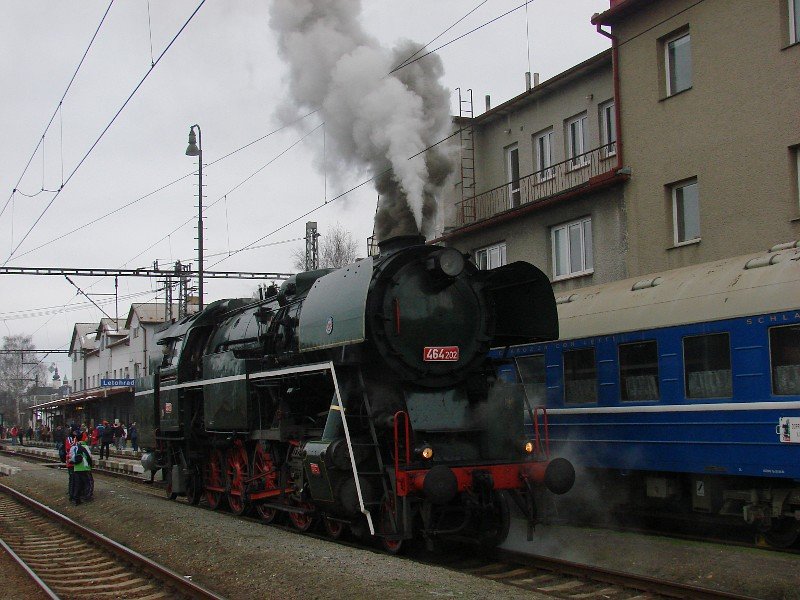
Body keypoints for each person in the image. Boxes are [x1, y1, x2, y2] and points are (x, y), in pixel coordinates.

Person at [70, 435, 93, 505]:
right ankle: (87, 496)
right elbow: (88, 457)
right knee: (87, 483)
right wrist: (90, 465)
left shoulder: (74, 447)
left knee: (77, 484)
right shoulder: (84, 447)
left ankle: (76, 499)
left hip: (76, 468)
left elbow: (71, 457)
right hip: (84, 468)